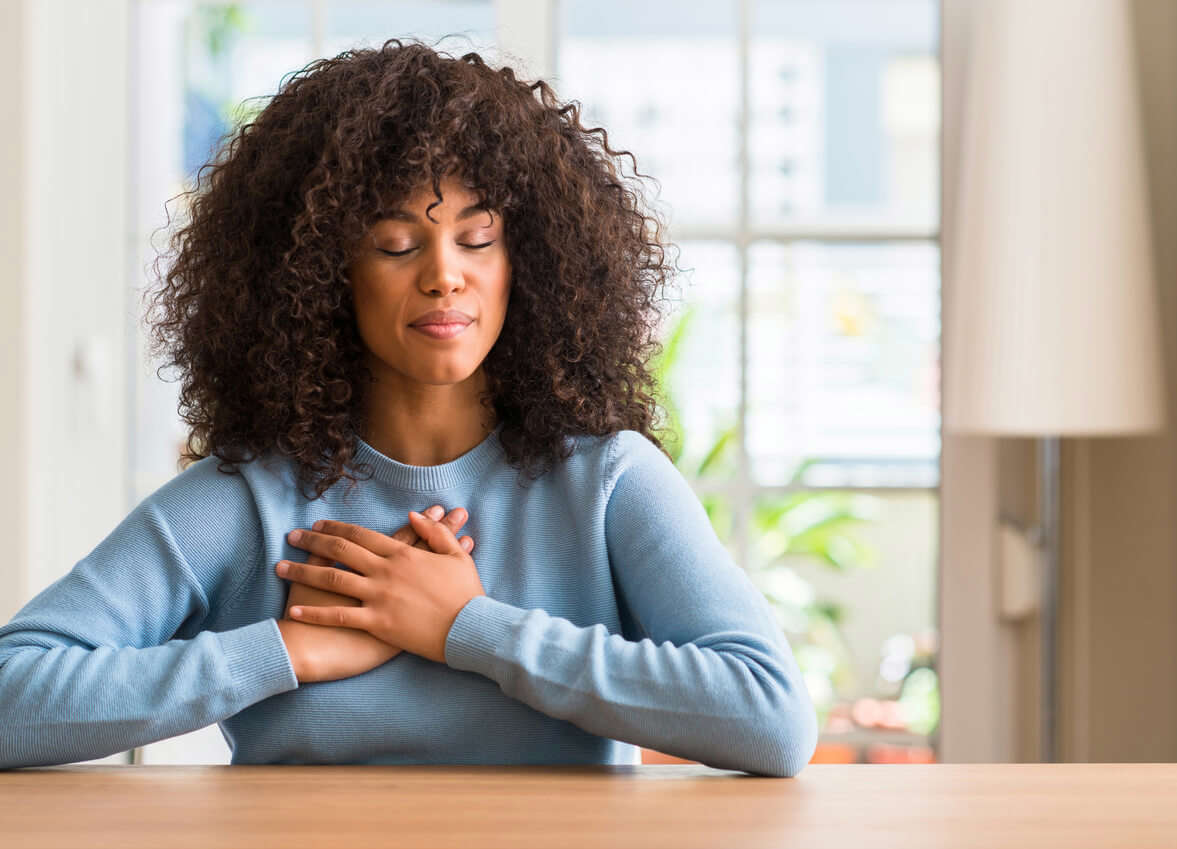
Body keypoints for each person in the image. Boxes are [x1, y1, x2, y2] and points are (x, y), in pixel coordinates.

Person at [0, 39, 817, 776]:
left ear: (523, 261)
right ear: (322, 273)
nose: (443, 275)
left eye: (477, 238)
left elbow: (770, 717)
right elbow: (15, 692)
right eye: (395, 244)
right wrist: (282, 650)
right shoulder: (246, 499)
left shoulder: (608, 483)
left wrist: (468, 626)